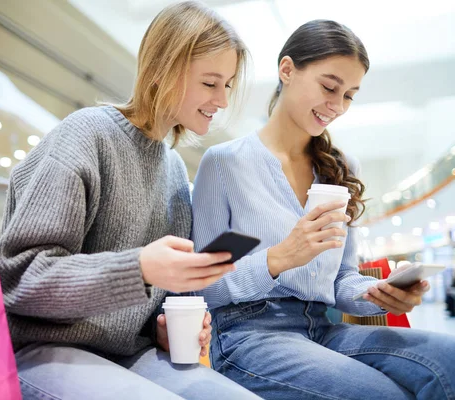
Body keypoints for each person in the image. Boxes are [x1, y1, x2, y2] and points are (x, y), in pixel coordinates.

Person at [0, 2, 261, 399]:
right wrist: (138, 269)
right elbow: (19, 279)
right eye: (210, 83)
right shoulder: (86, 136)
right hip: (41, 351)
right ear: (162, 71)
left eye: (228, 84)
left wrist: (162, 326)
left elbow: (145, 303)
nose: (222, 100)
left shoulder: (172, 169)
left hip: (126, 354)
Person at [192, 19, 455, 400]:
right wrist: (278, 258)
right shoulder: (225, 163)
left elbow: (342, 280)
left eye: (349, 95)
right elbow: (205, 285)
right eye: (329, 87)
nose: (337, 105)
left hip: (322, 326)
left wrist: (376, 292)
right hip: (247, 335)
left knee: (447, 359)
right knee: (383, 394)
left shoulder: (340, 167)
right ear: (287, 70)